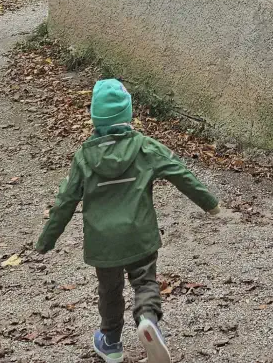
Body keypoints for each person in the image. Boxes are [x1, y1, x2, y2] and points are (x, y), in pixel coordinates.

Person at [35, 77, 222, 363]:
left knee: (109, 291)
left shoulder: (84, 157)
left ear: (95, 118)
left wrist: (47, 240)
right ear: (128, 114)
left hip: (103, 243)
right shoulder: (144, 147)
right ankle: (147, 319)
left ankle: (111, 343)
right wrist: (210, 204)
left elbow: (65, 201)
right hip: (139, 234)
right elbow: (179, 172)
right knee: (145, 282)